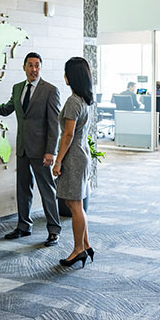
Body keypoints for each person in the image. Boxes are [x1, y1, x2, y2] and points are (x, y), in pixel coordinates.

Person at [0, 52, 62, 247]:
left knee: (47, 190)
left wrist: (51, 151)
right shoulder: (18, 88)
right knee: (22, 189)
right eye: (30, 65)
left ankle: (54, 231)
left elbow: (54, 125)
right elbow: (5, 110)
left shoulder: (50, 91)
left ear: (41, 68)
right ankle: (23, 226)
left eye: (37, 65)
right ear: (24, 68)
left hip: (41, 151)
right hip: (22, 148)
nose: (34, 69)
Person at [52, 57, 95, 268]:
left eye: (66, 72)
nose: (64, 76)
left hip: (74, 156)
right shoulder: (84, 99)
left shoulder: (73, 102)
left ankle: (78, 249)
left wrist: (58, 161)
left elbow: (67, 135)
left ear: (72, 76)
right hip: (81, 154)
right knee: (74, 203)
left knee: (75, 205)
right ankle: (85, 244)